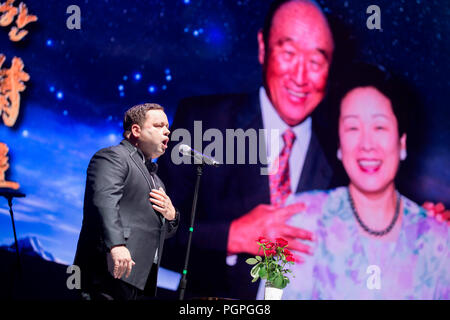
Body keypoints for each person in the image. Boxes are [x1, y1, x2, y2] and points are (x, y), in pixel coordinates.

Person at [157, 0, 345, 299]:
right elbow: (152, 239)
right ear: (262, 47)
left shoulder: (346, 156)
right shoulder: (202, 124)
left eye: (316, 61)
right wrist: (232, 236)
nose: (300, 76)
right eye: (288, 52)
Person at [269, 64, 449, 299]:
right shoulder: (299, 219)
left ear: (402, 143)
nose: (367, 144)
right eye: (353, 127)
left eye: (380, 126)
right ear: (340, 147)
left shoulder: (438, 240)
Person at [74, 103, 180, 300]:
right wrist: (116, 245)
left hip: (137, 279)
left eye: (167, 127)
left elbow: (160, 232)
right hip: (107, 270)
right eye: (158, 125)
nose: (167, 131)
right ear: (136, 130)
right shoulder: (113, 156)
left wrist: (171, 216)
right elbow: (105, 201)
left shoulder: (157, 180)